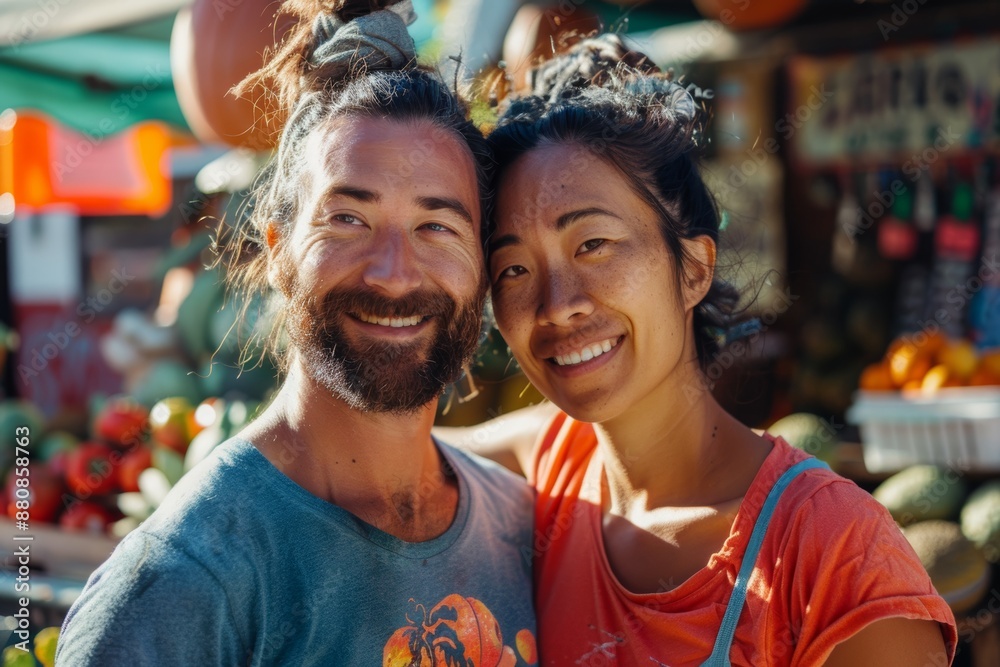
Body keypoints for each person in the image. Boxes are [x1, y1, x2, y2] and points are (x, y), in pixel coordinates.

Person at [440, 35, 957, 666]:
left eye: (594, 244)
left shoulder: (830, 557)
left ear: (693, 267)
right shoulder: (545, 469)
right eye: (514, 270)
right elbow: (360, 459)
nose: (557, 305)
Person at [56, 1, 535, 664]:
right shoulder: (185, 583)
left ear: (482, 266)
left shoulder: (518, 526)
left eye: (437, 227)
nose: (394, 275)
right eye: (346, 220)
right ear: (278, 250)